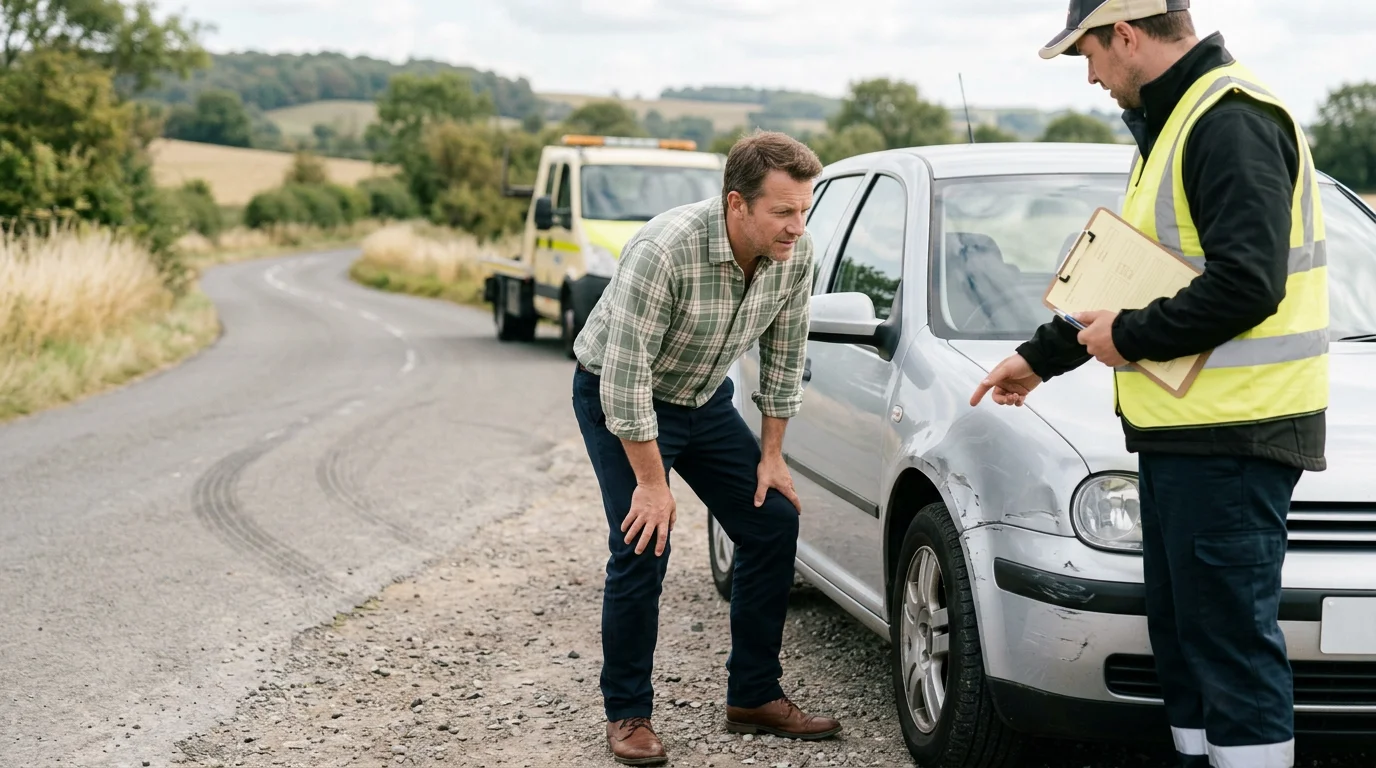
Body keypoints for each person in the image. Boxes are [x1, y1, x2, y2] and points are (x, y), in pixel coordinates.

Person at [971, 3, 1328, 768]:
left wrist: (1127, 338)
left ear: (1126, 34)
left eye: (1089, 56)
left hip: (1235, 437)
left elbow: (1246, 284)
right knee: (1187, 641)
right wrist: (1044, 356)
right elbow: (1134, 280)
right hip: (1186, 434)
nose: (1092, 76)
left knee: (1228, 648)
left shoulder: (1226, 120)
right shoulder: (1175, 123)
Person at [571, 130, 843, 765]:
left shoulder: (794, 255)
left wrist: (772, 456)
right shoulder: (664, 251)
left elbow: (784, 357)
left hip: (702, 396)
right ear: (736, 205)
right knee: (644, 540)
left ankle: (753, 695)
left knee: (772, 522)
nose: (797, 227)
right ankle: (628, 713)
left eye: (804, 209)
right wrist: (651, 482)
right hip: (618, 394)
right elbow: (626, 376)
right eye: (783, 211)